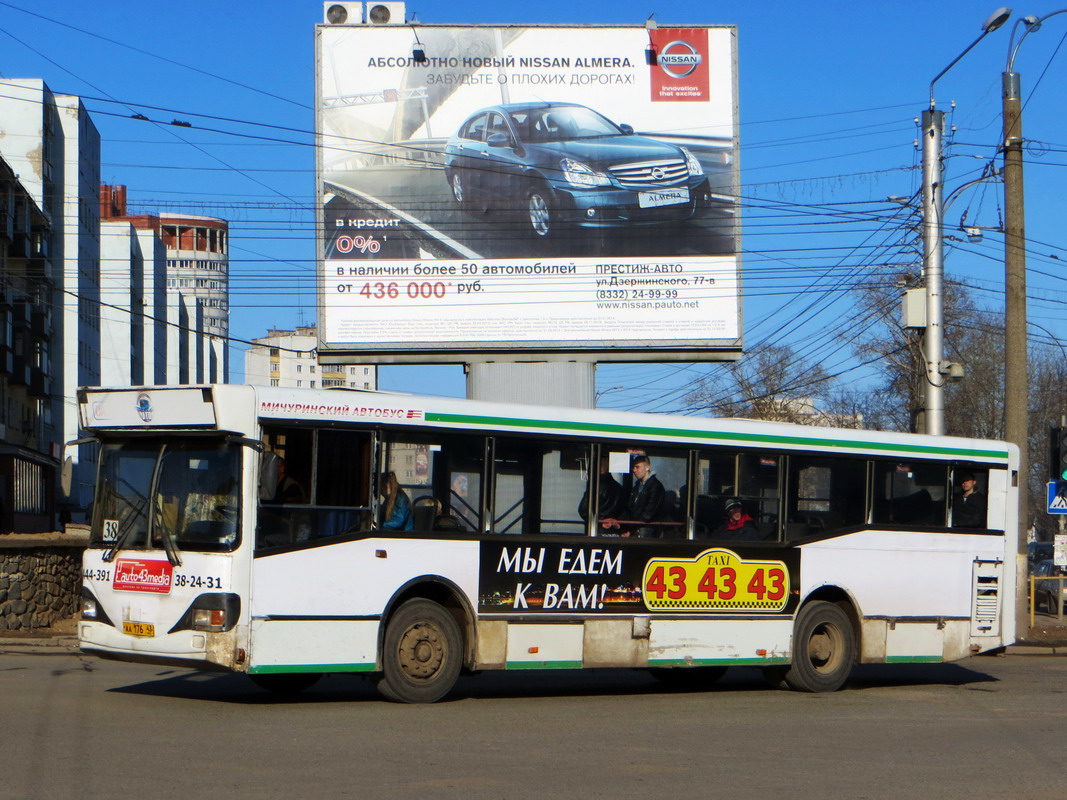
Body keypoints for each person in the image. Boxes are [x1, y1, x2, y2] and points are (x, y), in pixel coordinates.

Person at [579, 457, 624, 522]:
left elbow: (583, 510)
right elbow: (623, 512)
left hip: (597, 527)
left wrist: (601, 520)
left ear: (599, 469)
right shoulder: (619, 488)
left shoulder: (595, 486)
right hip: (615, 527)